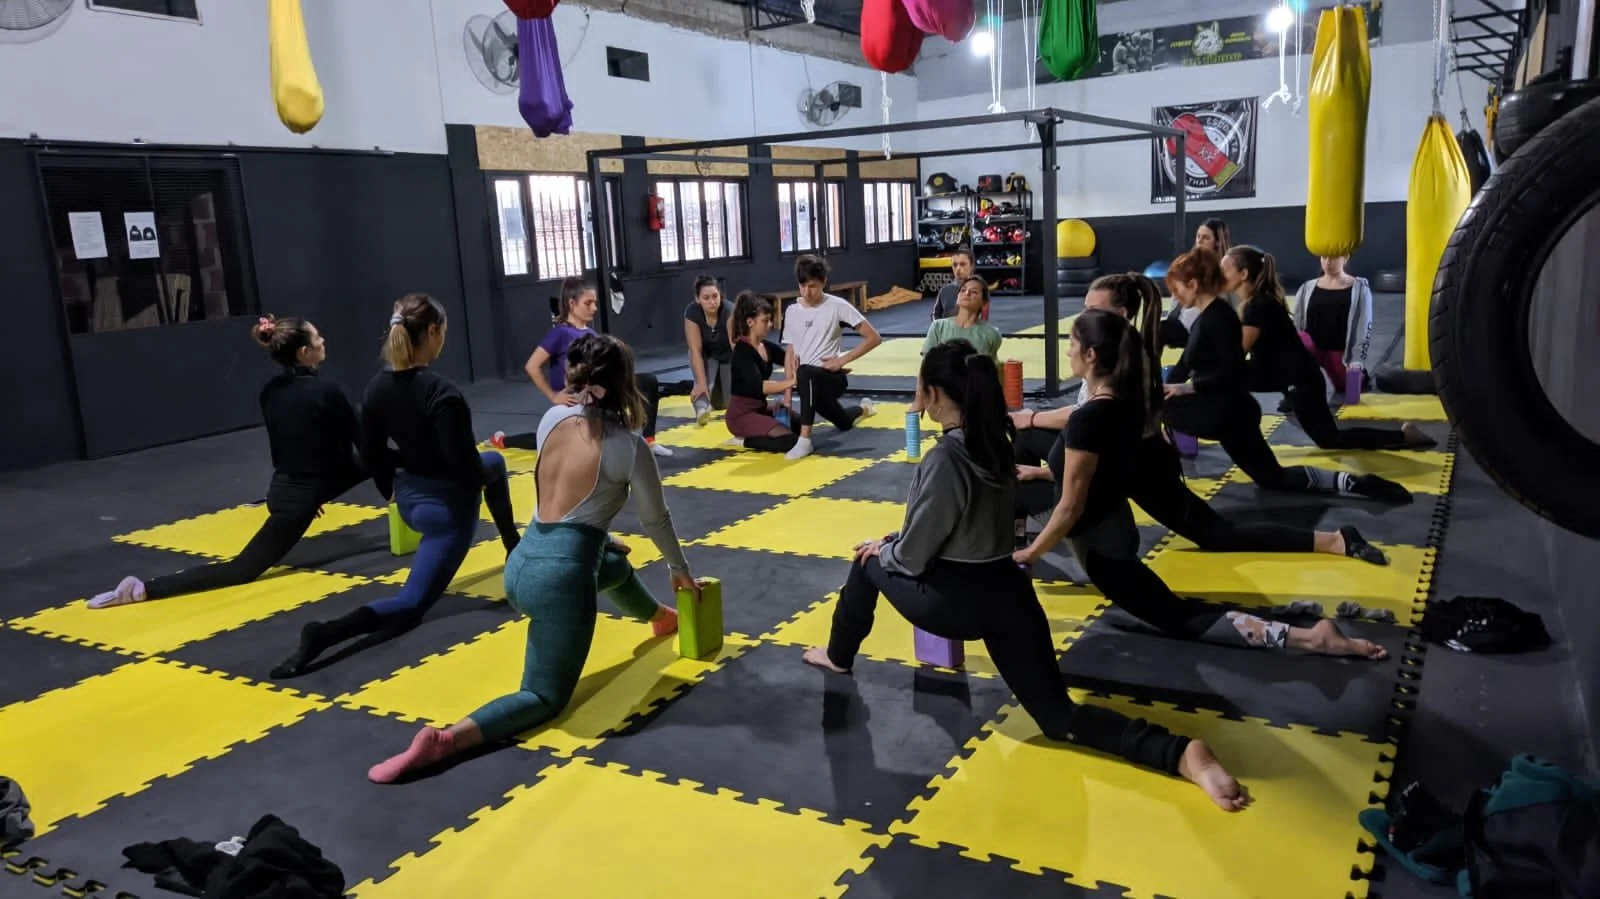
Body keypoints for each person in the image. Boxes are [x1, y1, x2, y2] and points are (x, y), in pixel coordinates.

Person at [802, 339, 1250, 813]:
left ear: (932, 394)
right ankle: (1180, 753)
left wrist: (886, 549)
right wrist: (900, 541)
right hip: (1011, 595)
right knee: (1059, 717)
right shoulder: (997, 442)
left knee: (867, 562)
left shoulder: (945, 459)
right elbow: (957, 525)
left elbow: (913, 557)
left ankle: (838, 655)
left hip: (958, 603)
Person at [367, 333, 698, 784]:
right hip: (559, 582)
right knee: (543, 697)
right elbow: (656, 521)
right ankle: (448, 739)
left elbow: (566, 503)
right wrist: (680, 571)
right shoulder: (628, 447)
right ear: (625, 384)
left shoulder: (551, 418)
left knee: (614, 565)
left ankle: (660, 617)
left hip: (521, 562)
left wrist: (598, 542)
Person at [1014, 311, 1387, 662]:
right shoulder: (1125, 407)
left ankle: (1311, 637)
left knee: (1183, 618)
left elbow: (1070, 507)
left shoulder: (1089, 419)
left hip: (1103, 552)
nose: (1067, 350)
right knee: (1182, 601)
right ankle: (1307, 626)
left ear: (1091, 355)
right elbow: (1098, 474)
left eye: (1072, 343)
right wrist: (1039, 475)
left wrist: (1030, 553)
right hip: (1114, 532)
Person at [1011, 274, 1388, 564]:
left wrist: (1033, 427)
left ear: (1122, 314)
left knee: (1218, 534)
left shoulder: (1127, 361)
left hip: (1141, 462)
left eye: (1095, 309)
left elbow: (1089, 424)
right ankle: (1021, 529)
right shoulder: (1109, 353)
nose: (1085, 317)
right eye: (1085, 307)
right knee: (1027, 437)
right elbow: (1085, 425)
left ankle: (1335, 539)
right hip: (1123, 454)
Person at [271, 294, 522, 679]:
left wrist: (391, 489)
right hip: (445, 512)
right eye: (444, 333)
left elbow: (371, 454)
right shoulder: (443, 393)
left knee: (491, 462)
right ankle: (324, 634)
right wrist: (484, 475)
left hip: (408, 500)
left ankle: (514, 550)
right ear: (434, 332)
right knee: (410, 605)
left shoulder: (376, 388)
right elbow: (465, 471)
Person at [89, 315, 379, 609]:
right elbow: (364, 447)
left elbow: (288, 449)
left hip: (285, 489)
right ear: (305, 352)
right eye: (318, 338)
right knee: (241, 570)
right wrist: (387, 491)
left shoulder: (271, 392)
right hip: (299, 500)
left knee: (386, 459)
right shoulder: (328, 393)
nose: (323, 341)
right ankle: (141, 589)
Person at [1161, 250, 1411, 503]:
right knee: (1273, 477)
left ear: (1193, 284)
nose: (1174, 296)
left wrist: (1189, 387)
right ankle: (1353, 482)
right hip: (1252, 397)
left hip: (1282, 385)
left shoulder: (1235, 312)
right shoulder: (1220, 313)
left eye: (1176, 289)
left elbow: (1232, 364)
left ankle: (1402, 436)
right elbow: (1203, 359)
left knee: (1328, 438)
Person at [1225, 246, 1434, 451]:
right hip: (1282, 374)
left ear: (1243, 274)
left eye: (1225, 270)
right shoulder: (1255, 303)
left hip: (1300, 380)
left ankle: (1405, 435)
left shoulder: (1258, 307)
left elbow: (1236, 354)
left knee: (1330, 440)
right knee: (1221, 378)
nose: (1219, 275)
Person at [500, 278, 670, 458]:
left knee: (648, 382)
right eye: (588, 303)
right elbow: (532, 366)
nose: (594, 308)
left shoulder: (590, 333)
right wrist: (554, 396)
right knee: (552, 439)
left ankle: (648, 440)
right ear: (572, 304)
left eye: (595, 303)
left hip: (596, 391)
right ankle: (503, 441)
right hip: (576, 397)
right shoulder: (560, 332)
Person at [781, 254, 882, 460]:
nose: (807, 292)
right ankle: (864, 408)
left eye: (813, 286)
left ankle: (805, 439)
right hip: (806, 384)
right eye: (803, 286)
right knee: (843, 421)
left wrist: (841, 360)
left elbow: (874, 338)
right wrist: (787, 395)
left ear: (824, 282)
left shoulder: (837, 306)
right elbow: (791, 352)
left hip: (831, 378)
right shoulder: (792, 311)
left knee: (805, 371)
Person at [726, 292, 800, 454]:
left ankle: (760, 430)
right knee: (789, 441)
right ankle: (744, 441)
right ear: (750, 322)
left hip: (760, 410)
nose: (770, 325)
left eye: (770, 320)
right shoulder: (742, 352)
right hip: (741, 417)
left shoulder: (765, 346)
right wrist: (791, 381)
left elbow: (789, 358)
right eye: (765, 321)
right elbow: (760, 387)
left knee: (800, 426)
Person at [1292, 255, 1374, 393]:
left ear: (1345, 258)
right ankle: (1294, 390)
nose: (1328, 262)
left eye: (1333, 258)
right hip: (1312, 348)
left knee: (1349, 390)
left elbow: (1363, 327)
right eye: (1324, 257)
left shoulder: (1359, 288)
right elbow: (1297, 325)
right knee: (1297, 346)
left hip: (1339, 352)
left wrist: (1356, 361)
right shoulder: (1306, 288)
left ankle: (1361, 377)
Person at [1163, 217, 1234, 348]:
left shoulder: (1225, 272)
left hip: (1203, 329)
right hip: (1183, 325)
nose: (1199, 241)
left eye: (1205, 238)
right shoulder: (1188, 266)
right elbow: (1176, 299)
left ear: (1218, 242)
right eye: (1198, 236)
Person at [684, 274, 734, 425]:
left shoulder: (730, 311)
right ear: (698, 299)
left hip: (728, 356)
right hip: (707, 356)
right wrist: (701, 383)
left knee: (726, 404)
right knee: (703, 387)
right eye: (706, 298)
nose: (712, 302)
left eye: (715, 296)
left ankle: (719, 397)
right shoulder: (692, 313)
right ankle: (701, 410)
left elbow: (736, 347)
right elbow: (695, 350)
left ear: (721, 295)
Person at [922, 276, 1003, 359]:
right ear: (957, 297)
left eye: (974, 292)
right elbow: (928, 364)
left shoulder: (991, 334)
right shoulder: (938, 327)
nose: (967, 293)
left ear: (984, 302)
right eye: (963, 290)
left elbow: (989, 368)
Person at [930, 248, 975, 320]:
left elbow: (982, 319)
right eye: (955, 265)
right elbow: (935, 314)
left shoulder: (979, 291)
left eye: (962, 264)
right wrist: (938, 327)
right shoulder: (944, 291)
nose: (958, 268)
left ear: (971, 266)